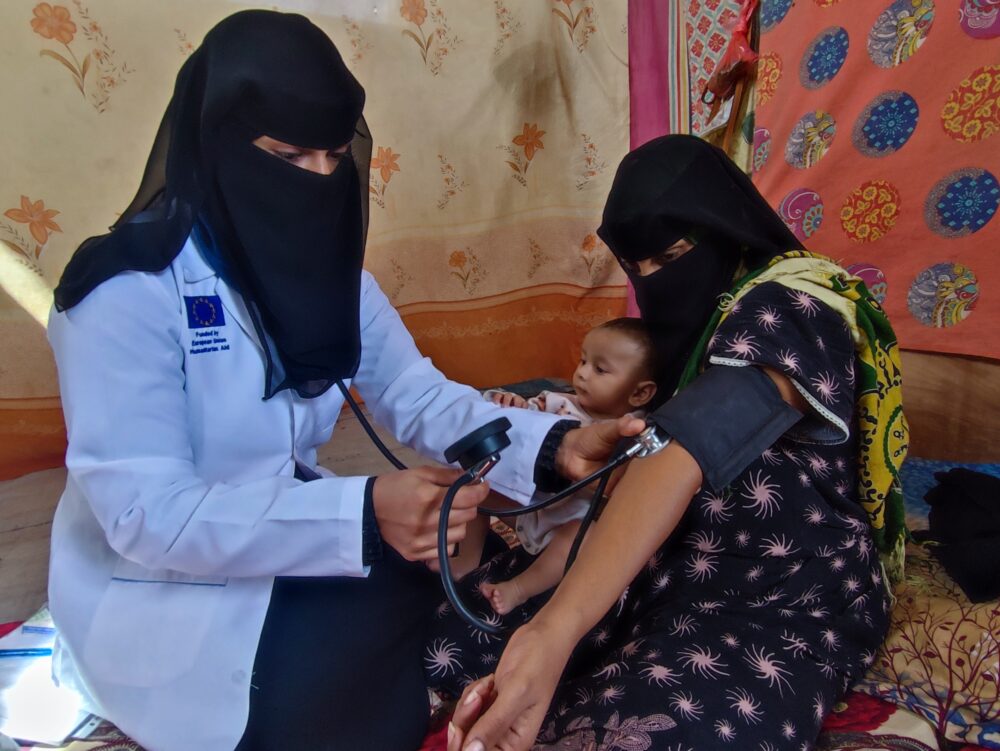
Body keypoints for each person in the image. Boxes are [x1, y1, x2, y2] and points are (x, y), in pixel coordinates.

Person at [44, 11, 637, 750]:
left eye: (333, 155)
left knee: (462, 583)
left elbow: (416, 393)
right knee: (356, 711)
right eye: (289, 155)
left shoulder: (330, 273)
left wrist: (559, 446)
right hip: (163, 585)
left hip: (288, 526)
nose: (321, 181)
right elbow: (148, 514)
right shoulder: (124, 290)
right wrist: (361, 513)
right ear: (216, 142)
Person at [430, 135, 909, 751]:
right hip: (663, 559)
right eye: (637, 267)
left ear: (724, 228)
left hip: (775, 585)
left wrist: (556, 629)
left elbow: (688, 443)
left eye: (672, 255)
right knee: (451, 643)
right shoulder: (694, 321)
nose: (654, 280)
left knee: (655, 731)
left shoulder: (792, 306)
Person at [475, 318, 657, 614]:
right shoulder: (557, 402)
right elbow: (512, 419)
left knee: (586, 539)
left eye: (599, 369)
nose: (582, 373)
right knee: (474, 485)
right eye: (583, 361)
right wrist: (509, 404)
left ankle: (519, 589)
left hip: (571, 529)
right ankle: (463, 566)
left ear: (639, 393)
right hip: (531, 510)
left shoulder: (634, 430)